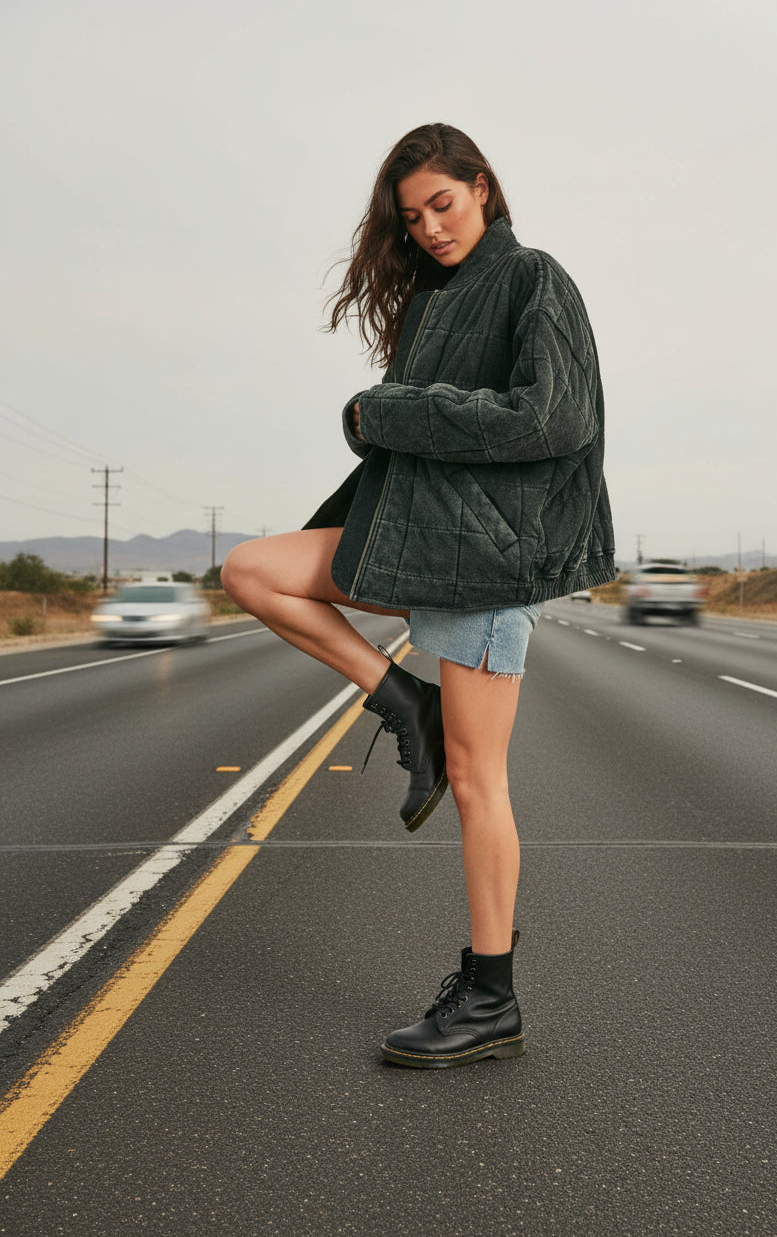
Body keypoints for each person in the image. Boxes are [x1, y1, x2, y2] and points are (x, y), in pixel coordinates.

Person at [221, 123, 615, 1069]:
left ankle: (490, 998)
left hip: (486, 559)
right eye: (413, 217)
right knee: (252, 570)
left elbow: (553, 419)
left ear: (484, 188)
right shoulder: (436, 300)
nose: (431, 227)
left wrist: (390, 409)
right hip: (416, 540)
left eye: (444, 203)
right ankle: (406, 703)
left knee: (481, 785)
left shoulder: (534, 280)